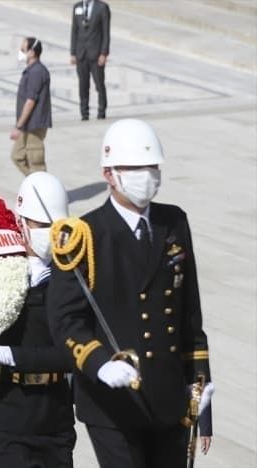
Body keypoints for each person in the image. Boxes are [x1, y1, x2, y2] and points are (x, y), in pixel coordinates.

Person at [47, 119, 214, 468]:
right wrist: (99, 363)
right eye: (135, 168)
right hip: (113, 400)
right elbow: (65, 320)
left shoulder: (174, 222)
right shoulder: (85, 234)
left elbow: (189, 317)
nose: (147, 176)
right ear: (109, 174)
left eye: (152, 167)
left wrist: (200, 390)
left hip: (169, 395)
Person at [0, 172, 76, 467]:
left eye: (56, 227)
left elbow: (70, 354)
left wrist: (8, 354)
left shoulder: (70, 278)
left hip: (54, 413)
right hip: (9, 412)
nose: (50, 234)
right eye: (42, 226)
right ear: (20, 224)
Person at [10, 37, 52, 176]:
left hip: (34, 125)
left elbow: (30, 101)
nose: (21, 52)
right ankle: (33, 184)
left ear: (32, 52)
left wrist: (18, 126)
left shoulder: (37, 72)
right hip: (27, 125)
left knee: (36, 162)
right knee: (17, 156)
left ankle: (43, 190)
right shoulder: (31, 70)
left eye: (23, 50)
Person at [70, 0, 110, 120]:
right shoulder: (77, 7)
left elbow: (106, 32)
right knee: (83, 84)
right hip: (81, 53)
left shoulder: (102, 7)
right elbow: (74, 31)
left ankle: (101, 111)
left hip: (96, 53)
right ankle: (84, 113)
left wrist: (104, 53)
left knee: (99, 84)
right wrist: (73, 52)